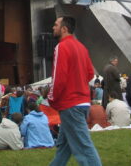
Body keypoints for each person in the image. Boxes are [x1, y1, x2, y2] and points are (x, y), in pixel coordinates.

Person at [47, 16, 102, 166]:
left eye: (56, 24)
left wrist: (51, 98)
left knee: (84, 148)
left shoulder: (61, 47)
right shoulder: (81, 47)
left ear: (64, 29)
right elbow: (90, 73)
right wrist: (78, 84)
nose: (53, 27)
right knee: (64, 148)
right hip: (82, 103)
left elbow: (59, 77)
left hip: (70, 105)